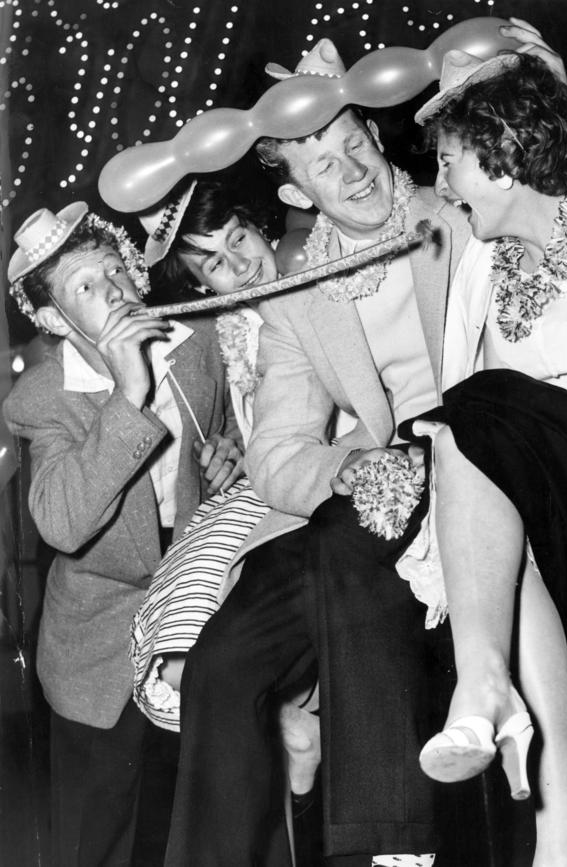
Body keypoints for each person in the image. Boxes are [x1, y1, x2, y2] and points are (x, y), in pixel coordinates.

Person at [163, 23, 567, 867]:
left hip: (483, 451)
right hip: (366, 482)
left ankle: (386, 844)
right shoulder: (291, 299)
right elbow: (278, 454)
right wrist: (353, 466)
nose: (347, 171)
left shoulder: (456, 203)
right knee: (222, 658)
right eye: (322, 166)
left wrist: (561, 95)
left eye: (352, 145)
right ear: (297, 195)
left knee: (354, 548)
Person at [401, 50, 567, 867]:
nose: (442, 188)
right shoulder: (479, 263)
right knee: (474, 425)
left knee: (483, 411)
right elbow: (458, 423)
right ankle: (560, 806)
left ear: (502, 154)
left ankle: (495, 702)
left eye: (449, 163)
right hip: (559, 498)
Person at [2, 202, 241, 867]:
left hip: (200, 623)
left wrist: (230, 456)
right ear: (53, 319)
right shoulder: (42, 398)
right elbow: (60, 520)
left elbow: (236, 434)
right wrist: (127, 389)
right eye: (85, 285)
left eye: (114, 270)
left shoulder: (197, 348)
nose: (111, 289)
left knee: (194, 832)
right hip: (98, 654)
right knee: (97, 843)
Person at [131, 178, 322, 812]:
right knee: (172, 654)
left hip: (323, 483)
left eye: (239, 238)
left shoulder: (321, 273)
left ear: (262, 226)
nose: (239, 263)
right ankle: (282, 718)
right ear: (198, 285)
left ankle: (284, 712)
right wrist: (237, 450)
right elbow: (255, 424)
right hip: (264, 489)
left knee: (215, 648)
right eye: (214, 262)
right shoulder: (231, 329)